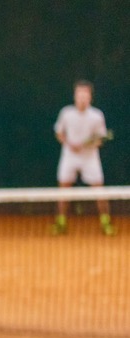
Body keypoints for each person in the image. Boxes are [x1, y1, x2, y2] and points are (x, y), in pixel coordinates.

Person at [53, 79, 115, 235]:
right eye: (79, 95)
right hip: (69, 156)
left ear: (90, 97)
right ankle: (61, 223)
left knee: (99, 191)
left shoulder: (96, 116)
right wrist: (69, 143)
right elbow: (59, 133)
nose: (82, 98)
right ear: (75, 96)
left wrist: (88, 145)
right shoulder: (66, 113)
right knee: (63, 191)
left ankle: (105, 222)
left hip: (90, 158)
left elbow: (100, 139)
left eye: (85, 95)